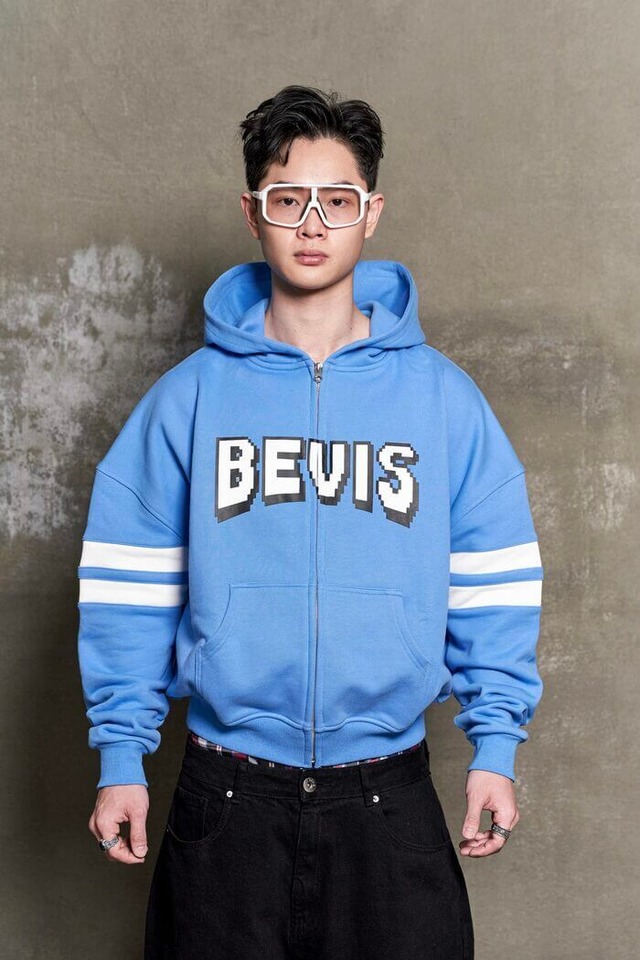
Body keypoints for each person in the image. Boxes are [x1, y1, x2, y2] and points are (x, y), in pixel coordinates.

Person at [77, 84, 544, 959]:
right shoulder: (187, 401)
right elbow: (126, 590)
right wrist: (121, 757)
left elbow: (495, 583)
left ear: (373, 213)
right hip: (225, 799)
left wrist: (496, 746)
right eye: (289, 200)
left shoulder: (443, 400)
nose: (314, 223)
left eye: (338, 200)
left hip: (389, 800)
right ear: (253, 213)